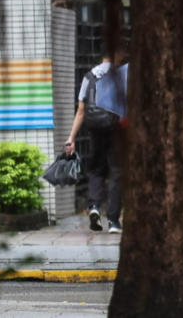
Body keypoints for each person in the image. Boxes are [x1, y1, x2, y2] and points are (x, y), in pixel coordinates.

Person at [63, 53, 123, 234]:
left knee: (96, 169)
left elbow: (81, 111)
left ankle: (95, 205)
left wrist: (71, 138)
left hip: (95, 130)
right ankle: (113, 221)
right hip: (116, 130)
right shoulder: (120, 76)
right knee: (116, 173)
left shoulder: (89, 76)